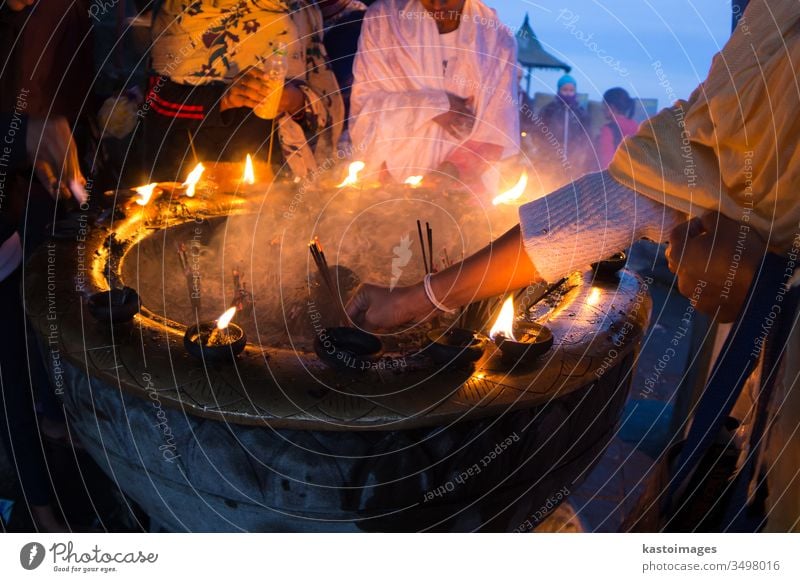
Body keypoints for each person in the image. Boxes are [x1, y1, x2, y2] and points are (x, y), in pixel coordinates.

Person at [345, 0, 800, 531]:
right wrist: (431, 105)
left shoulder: (493, 33)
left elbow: (625, 195)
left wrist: (767, 270)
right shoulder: (774, 25)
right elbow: (646, 191)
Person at [143, 0, 343, 180]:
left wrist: (292, 100)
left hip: (274, 174)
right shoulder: (182, 8)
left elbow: (319, 98)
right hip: (190, 172)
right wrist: (225, 99)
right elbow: (155, 102)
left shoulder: (299, 8)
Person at [348, 0, 520, 190]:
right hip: (387, 187)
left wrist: (447, 176)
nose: (438, 5)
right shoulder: (385, 20)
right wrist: (434, 106)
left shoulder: (497, 39)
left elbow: (496, 130)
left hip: (460, 195)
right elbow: (364, 108)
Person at [534, 74, 592, 179]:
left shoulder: (580, 113)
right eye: (565, 90)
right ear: (559, 90)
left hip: (573, 159)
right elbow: (539, 133)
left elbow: (586, 136)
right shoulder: (549, 110)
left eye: (571, 90)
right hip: (550, 159)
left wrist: (581, 156)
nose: (568, 93)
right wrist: (543, 153)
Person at [597, 87, 638, 169]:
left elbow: (606, 164)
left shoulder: (608, 130)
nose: (602, 109)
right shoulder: (637, 127)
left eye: (604, 104)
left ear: (612, 107)